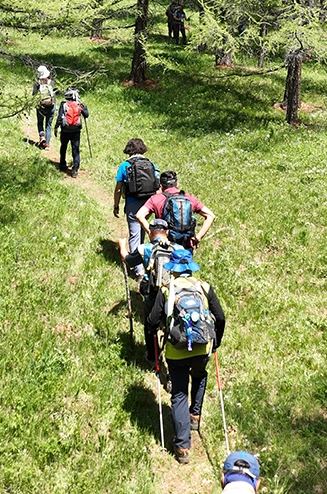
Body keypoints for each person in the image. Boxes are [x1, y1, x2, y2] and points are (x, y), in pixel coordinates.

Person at [146, 248, 225, 464]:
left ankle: (182, 447)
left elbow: (152, 321)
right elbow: (220, 317)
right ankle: (195, 416)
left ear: (173, 269)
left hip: (176, 351)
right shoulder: (204, 287)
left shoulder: (166, 290)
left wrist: (154, 335)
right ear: (190, 268)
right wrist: (215, 341)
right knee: (200, 375)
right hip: (201, 347)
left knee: (179, 393)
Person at [120, 219, 189, 363]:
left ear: (150, 232)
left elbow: (128, 260)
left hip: (153, 295)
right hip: (174, 295)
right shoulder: (179, 249)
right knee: (173, 322)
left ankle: (153, 356)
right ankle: (177, 353)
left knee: (150, 325)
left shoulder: (144, 248)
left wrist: (122, 246)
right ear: (167, 233)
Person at [136, 171, 216, 251]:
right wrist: (198, 237)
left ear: (161, 186)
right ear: (177, 184)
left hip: (164, 245)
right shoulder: (188, 198)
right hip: (186, 245)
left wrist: (151, 232)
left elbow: (139, 215)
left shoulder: (156, 199)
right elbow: (210, 216)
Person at [113, 138, 159, 253]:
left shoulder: (124, 166)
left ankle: (136, 268)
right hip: (148, 203)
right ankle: (142, 258)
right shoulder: (151, 164)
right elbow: (157, 185)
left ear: (129, 150)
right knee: (142, 229)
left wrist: (116, 205)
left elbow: (118, 189)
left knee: (134, 234)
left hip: (132, 202)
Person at [53, 88, 88, 177]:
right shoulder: (79, 104)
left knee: (63, 147)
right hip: (76, 131)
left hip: (65, 130)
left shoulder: (64, 104)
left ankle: (62, 164)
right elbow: (86, 115)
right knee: (75, 150)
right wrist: (84, 107)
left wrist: (56, 127)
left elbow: (60, 117)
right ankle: (75, 169)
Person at [32, 65, 55, 148]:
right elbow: (56, 93)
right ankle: (47, 144)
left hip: (41, 106)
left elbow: (34, 94)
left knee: (40, 122)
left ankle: (42, 136)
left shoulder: (37, 83)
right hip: (51, 106)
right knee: (48, 125)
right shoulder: (52, 82)